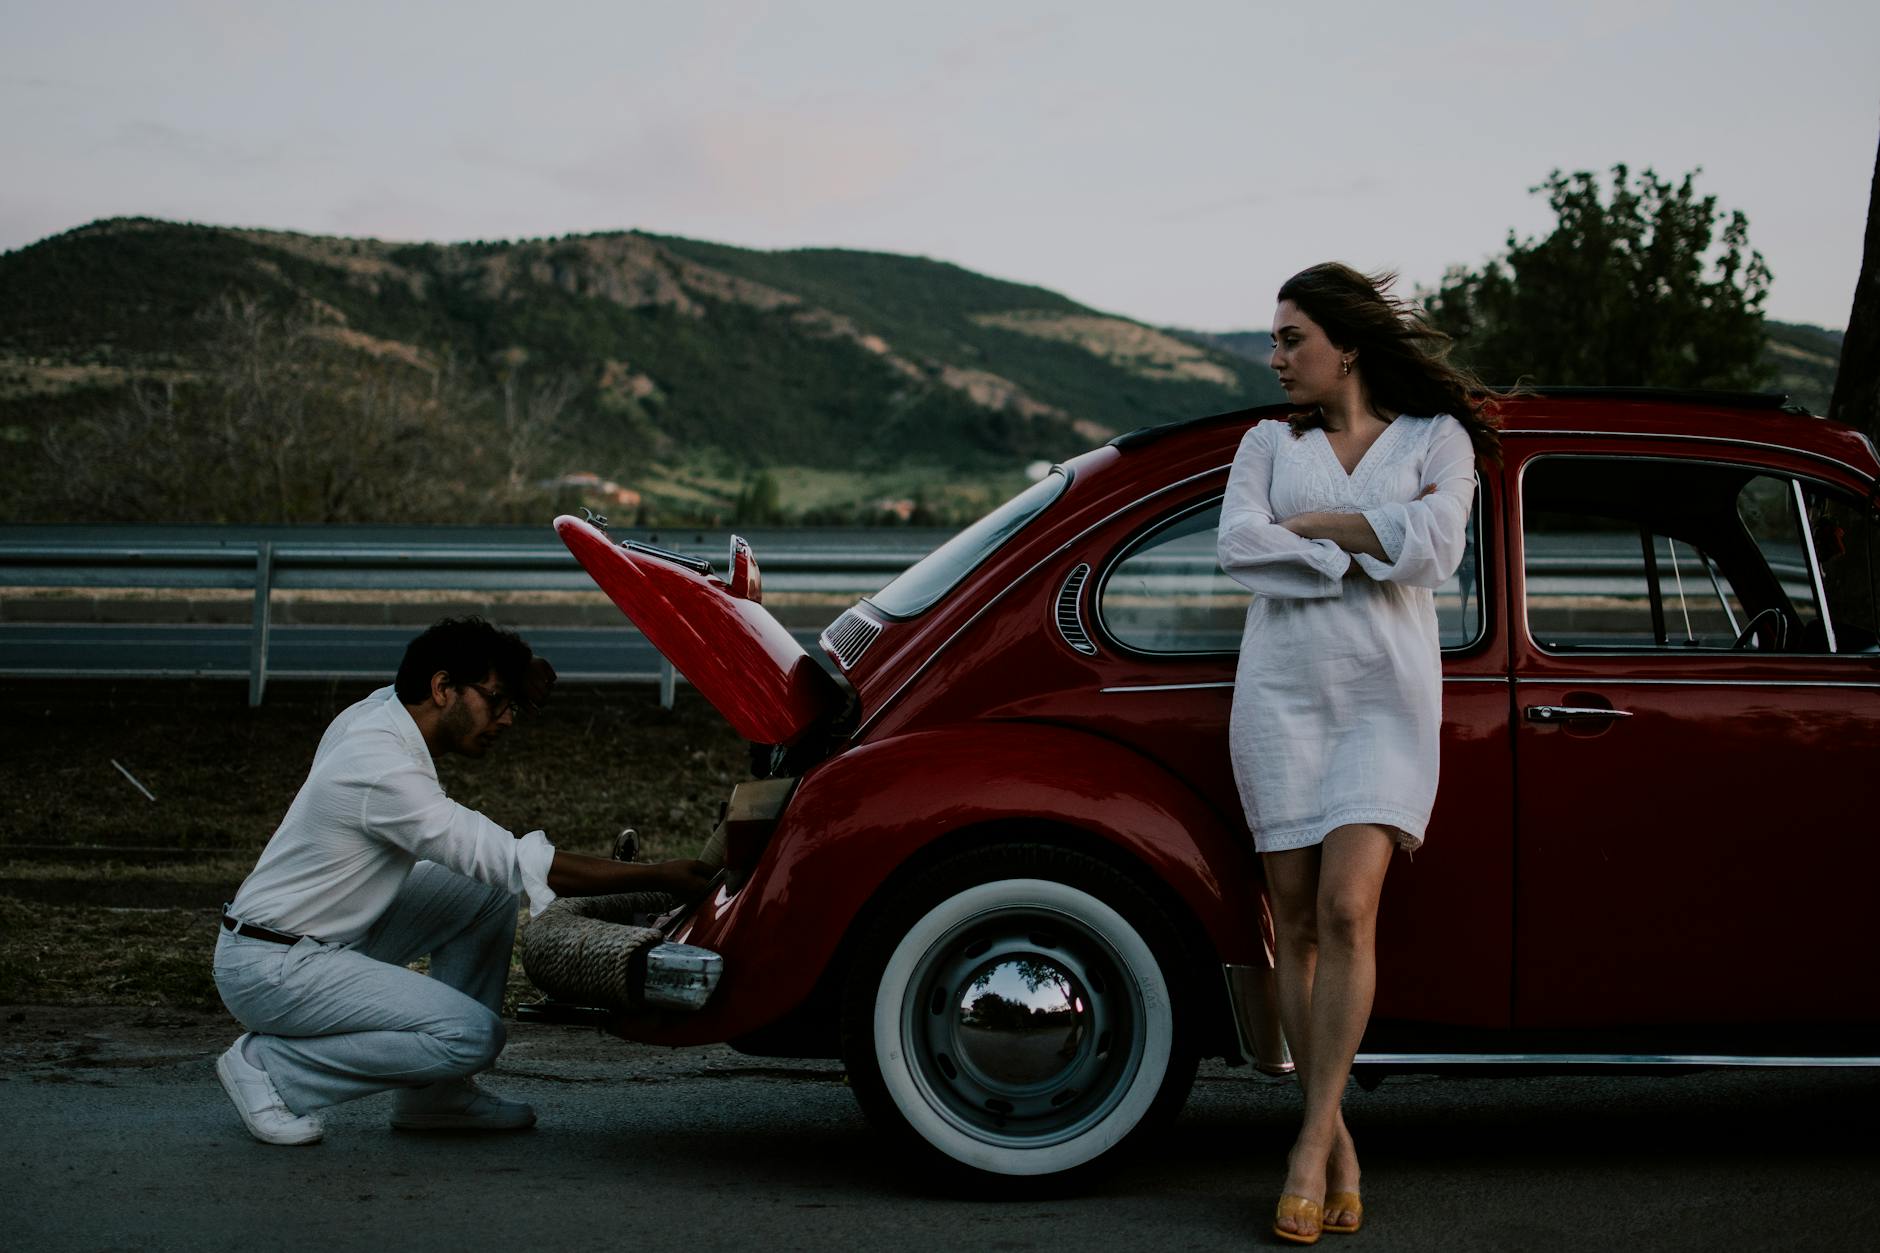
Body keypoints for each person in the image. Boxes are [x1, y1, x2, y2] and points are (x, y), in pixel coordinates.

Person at [1215, 263, 1503, 1243]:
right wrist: (1363, 539)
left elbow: (1436, 549)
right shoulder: (1262, 442)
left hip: (1384, 700)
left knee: (1345, 906)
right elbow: (1236, 546)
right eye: (1274, 337)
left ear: (1344, 343)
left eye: (1290, 337)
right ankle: (1332, 1135)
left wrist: (1314, 529)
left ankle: (1302, 1147)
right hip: (1279, 699)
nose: (1275, 356)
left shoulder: (1438, 438)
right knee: (1289, 921)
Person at [211, 616, 713, 1146]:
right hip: (274, 970)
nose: (507, 718)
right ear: (442, 688)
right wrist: (656, 876)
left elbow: (439, 653)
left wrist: (519, 671)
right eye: (497, 700)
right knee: (474, 1035)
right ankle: (271, 1069)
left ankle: (436, 1095)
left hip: (314, 941)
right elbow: (507, 859)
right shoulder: (380, 768)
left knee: (484, 895)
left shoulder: (382, 711)